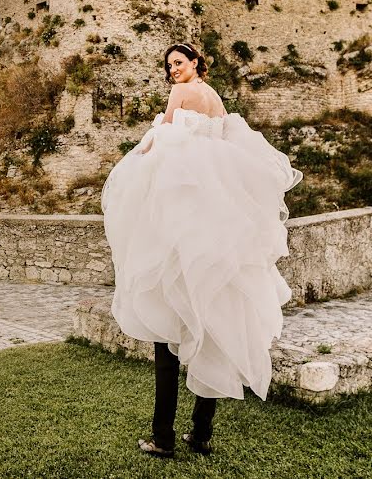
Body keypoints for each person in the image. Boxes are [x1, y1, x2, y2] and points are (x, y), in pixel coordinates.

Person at [100, 42, 303, 458]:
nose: (173, 69)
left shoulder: (181, 93)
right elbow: (227, 151)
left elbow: (162, 141)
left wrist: (134, 157)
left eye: (179, 62)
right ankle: (202, 435)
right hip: (217, 229)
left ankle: (163, 438)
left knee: (167, 340)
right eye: (169, 65)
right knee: (212, 332)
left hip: (182, 232)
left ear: (195, 63)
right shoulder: (216, 98)